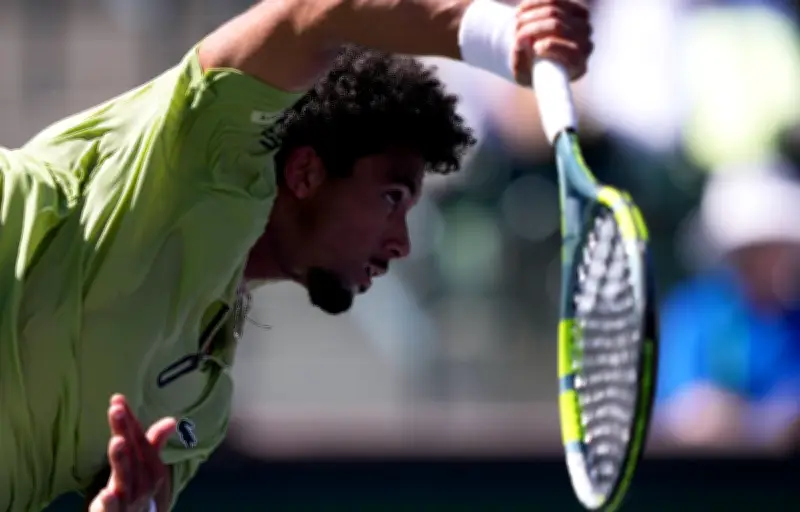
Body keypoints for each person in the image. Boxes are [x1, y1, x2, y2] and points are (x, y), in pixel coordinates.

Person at [0, 0, 593, 510]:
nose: (402, 243)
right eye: (391, 197)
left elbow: (136, 498)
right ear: (306, 171)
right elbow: (317, 14)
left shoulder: (198, 410)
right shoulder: (205, 159)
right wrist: (495, 32)